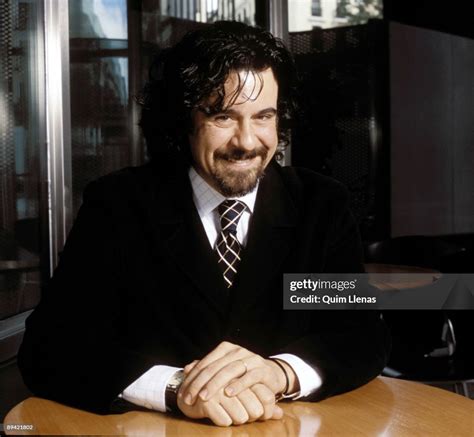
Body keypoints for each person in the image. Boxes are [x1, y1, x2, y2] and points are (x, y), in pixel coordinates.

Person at [18, 21, 390, 427]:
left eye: (263, 116)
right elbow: (50, 348)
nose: (248, 142)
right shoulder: (119, 205)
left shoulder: (320, 206)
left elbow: (360, 336)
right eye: (223, 117)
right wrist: (179, 389)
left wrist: (279, 373)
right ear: (183, 121)